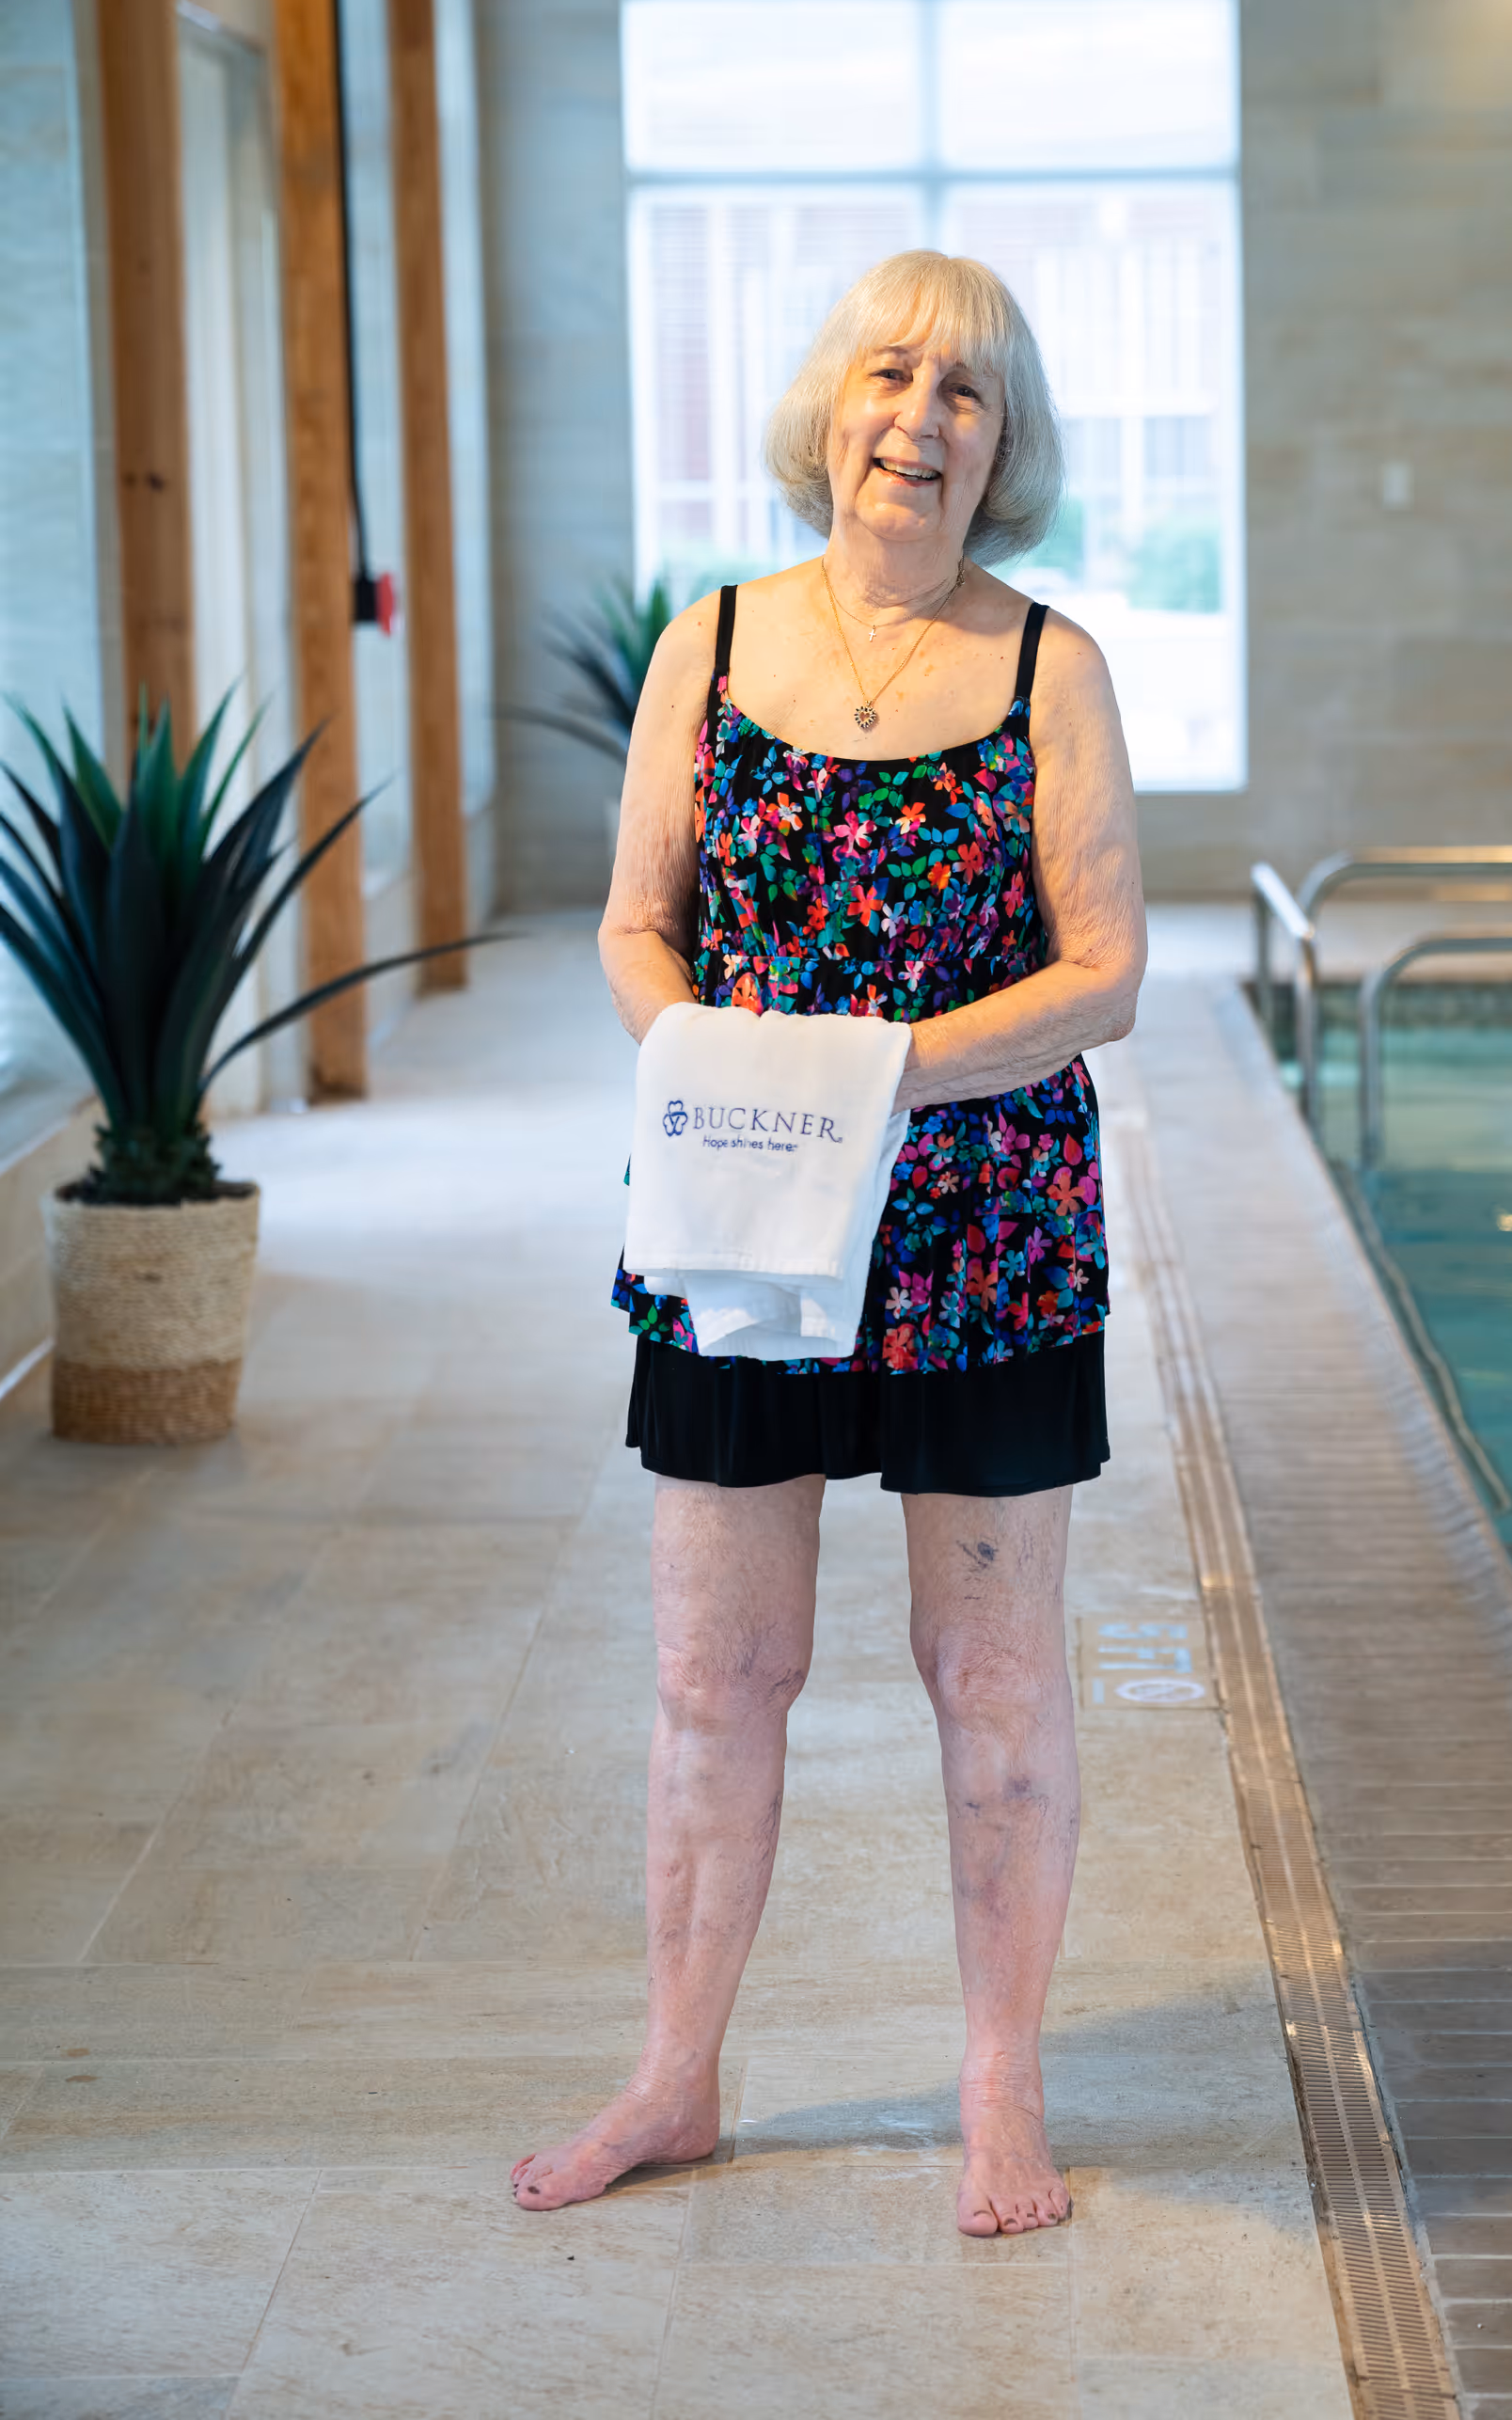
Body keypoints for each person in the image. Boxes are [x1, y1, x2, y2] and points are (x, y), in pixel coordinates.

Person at [512, 250, 1146, 2236]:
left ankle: (1000, 2084)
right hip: (738, 1220)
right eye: (893, 374)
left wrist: (872, 1080)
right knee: (718, 1672)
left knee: (993, 1676)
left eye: (968, 392)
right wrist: (729, 1080)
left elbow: (1110, 974)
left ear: (1004, 445)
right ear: (831, 404)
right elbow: (636, 925)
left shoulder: (1049, 671)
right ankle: (675, 2072)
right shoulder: (709, 647)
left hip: (986, 1231)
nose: (920, 419)